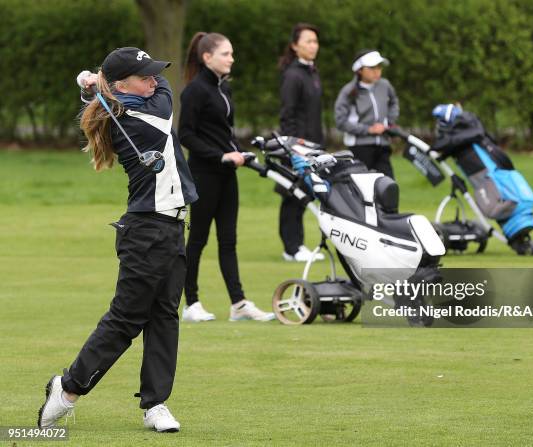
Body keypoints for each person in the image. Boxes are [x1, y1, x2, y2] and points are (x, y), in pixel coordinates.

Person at [38, 47, 198, 432]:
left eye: (151, 74)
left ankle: (155, 404)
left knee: (164, 317)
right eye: (144, 76)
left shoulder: (123, 105)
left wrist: (94, 84)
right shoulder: (148, 112)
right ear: (123, 85)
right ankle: (68, 387)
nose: (153, 80)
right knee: (127, 318)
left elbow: (130, 90)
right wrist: (98, 83)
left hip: (172, 227)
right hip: (146, 233)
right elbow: (163, 90)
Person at [179, 32, 275, 323]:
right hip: (204, 174)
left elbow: (226, 135)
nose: (231, 59)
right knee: (197, 240)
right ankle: (191, 303)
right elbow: (186, 135)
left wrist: (241, 153)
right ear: (207, 57)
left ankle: (239, 304)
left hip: (226, 175)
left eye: (231, 54)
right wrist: (219, 156)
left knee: (228, 241)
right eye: (226, 54)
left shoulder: (225, 90)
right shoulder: (194, 91)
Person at [277, 23, 325, 262]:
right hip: (296, 148)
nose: (313, 46)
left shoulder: (312, 73)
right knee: (292, 196)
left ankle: (298, 245)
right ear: (295, 46)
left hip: (313, 148)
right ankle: (292, 248)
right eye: (308, 41)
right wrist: (292, 147)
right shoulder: (293, 75)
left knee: (305, 196)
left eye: (315, 41)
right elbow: (288, 115)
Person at [334, 49, 399, 179]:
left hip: (383, 144)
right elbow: (340, 121)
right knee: (362, 187)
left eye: (379, 67)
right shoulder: (348, 91)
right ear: (359, 70)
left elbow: (394, 102)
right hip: (359, 147)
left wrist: (388, 123)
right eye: (371, 68)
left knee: (388, 185)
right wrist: (368, 130)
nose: (377, 71)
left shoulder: (385, 85)